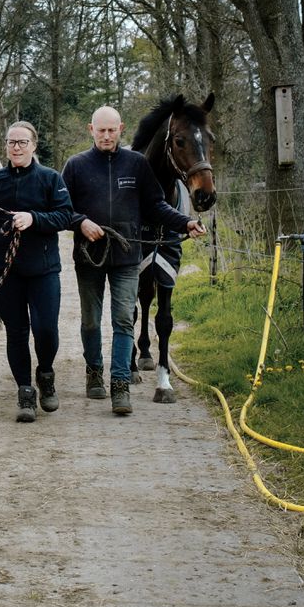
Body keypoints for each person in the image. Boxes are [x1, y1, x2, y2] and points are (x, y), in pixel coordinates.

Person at [62, 106, 206, 416]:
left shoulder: (137, 164)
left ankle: (120, 385)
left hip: (127, 258)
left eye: (112, 130)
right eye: (101, 130)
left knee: (124, 319)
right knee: (90, 320)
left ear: (121, 129)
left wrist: (185, 223)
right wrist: (81, 222)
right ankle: (94, 371)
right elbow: (62, 209)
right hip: (89, 257)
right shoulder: (75, 166)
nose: (106, 135)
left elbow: (155, 206)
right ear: (91, 130)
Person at [0, 122, 73, 423]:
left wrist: (33, 218)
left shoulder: (51, 179)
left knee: (46, 329)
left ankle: (45, 373)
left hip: (43, 269)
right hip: (5, 271)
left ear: (34, 145)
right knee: (17, 332)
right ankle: (24, 391)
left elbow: (64, 215)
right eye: (11, 142)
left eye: (22, 142)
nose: (16, 147)